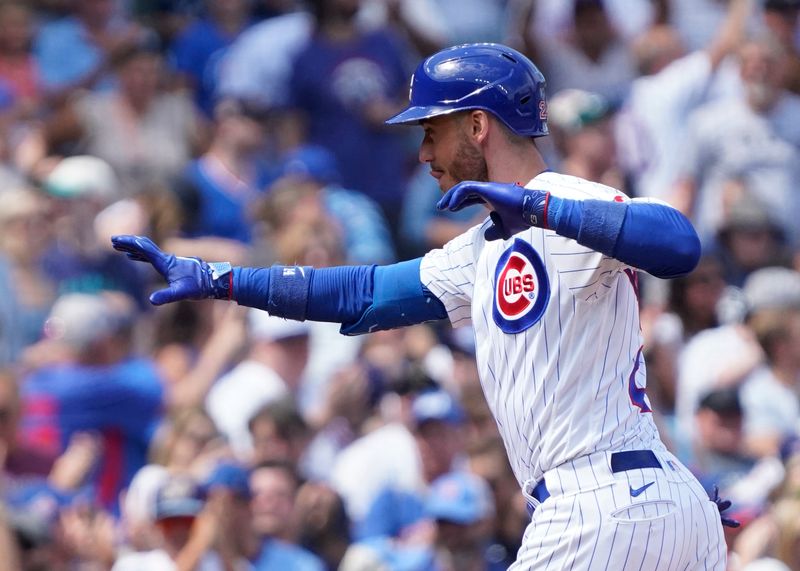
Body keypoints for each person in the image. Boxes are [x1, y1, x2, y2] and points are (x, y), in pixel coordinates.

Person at [112, 43, 736, 568]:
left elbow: (680, 245)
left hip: (599, 506)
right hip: (653, 498)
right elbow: (364, 293)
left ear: (477, 125)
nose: (423, 153)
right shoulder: (482, 248)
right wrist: (223, 280)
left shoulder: (565, 199)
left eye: (431, 130)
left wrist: (544, 209)